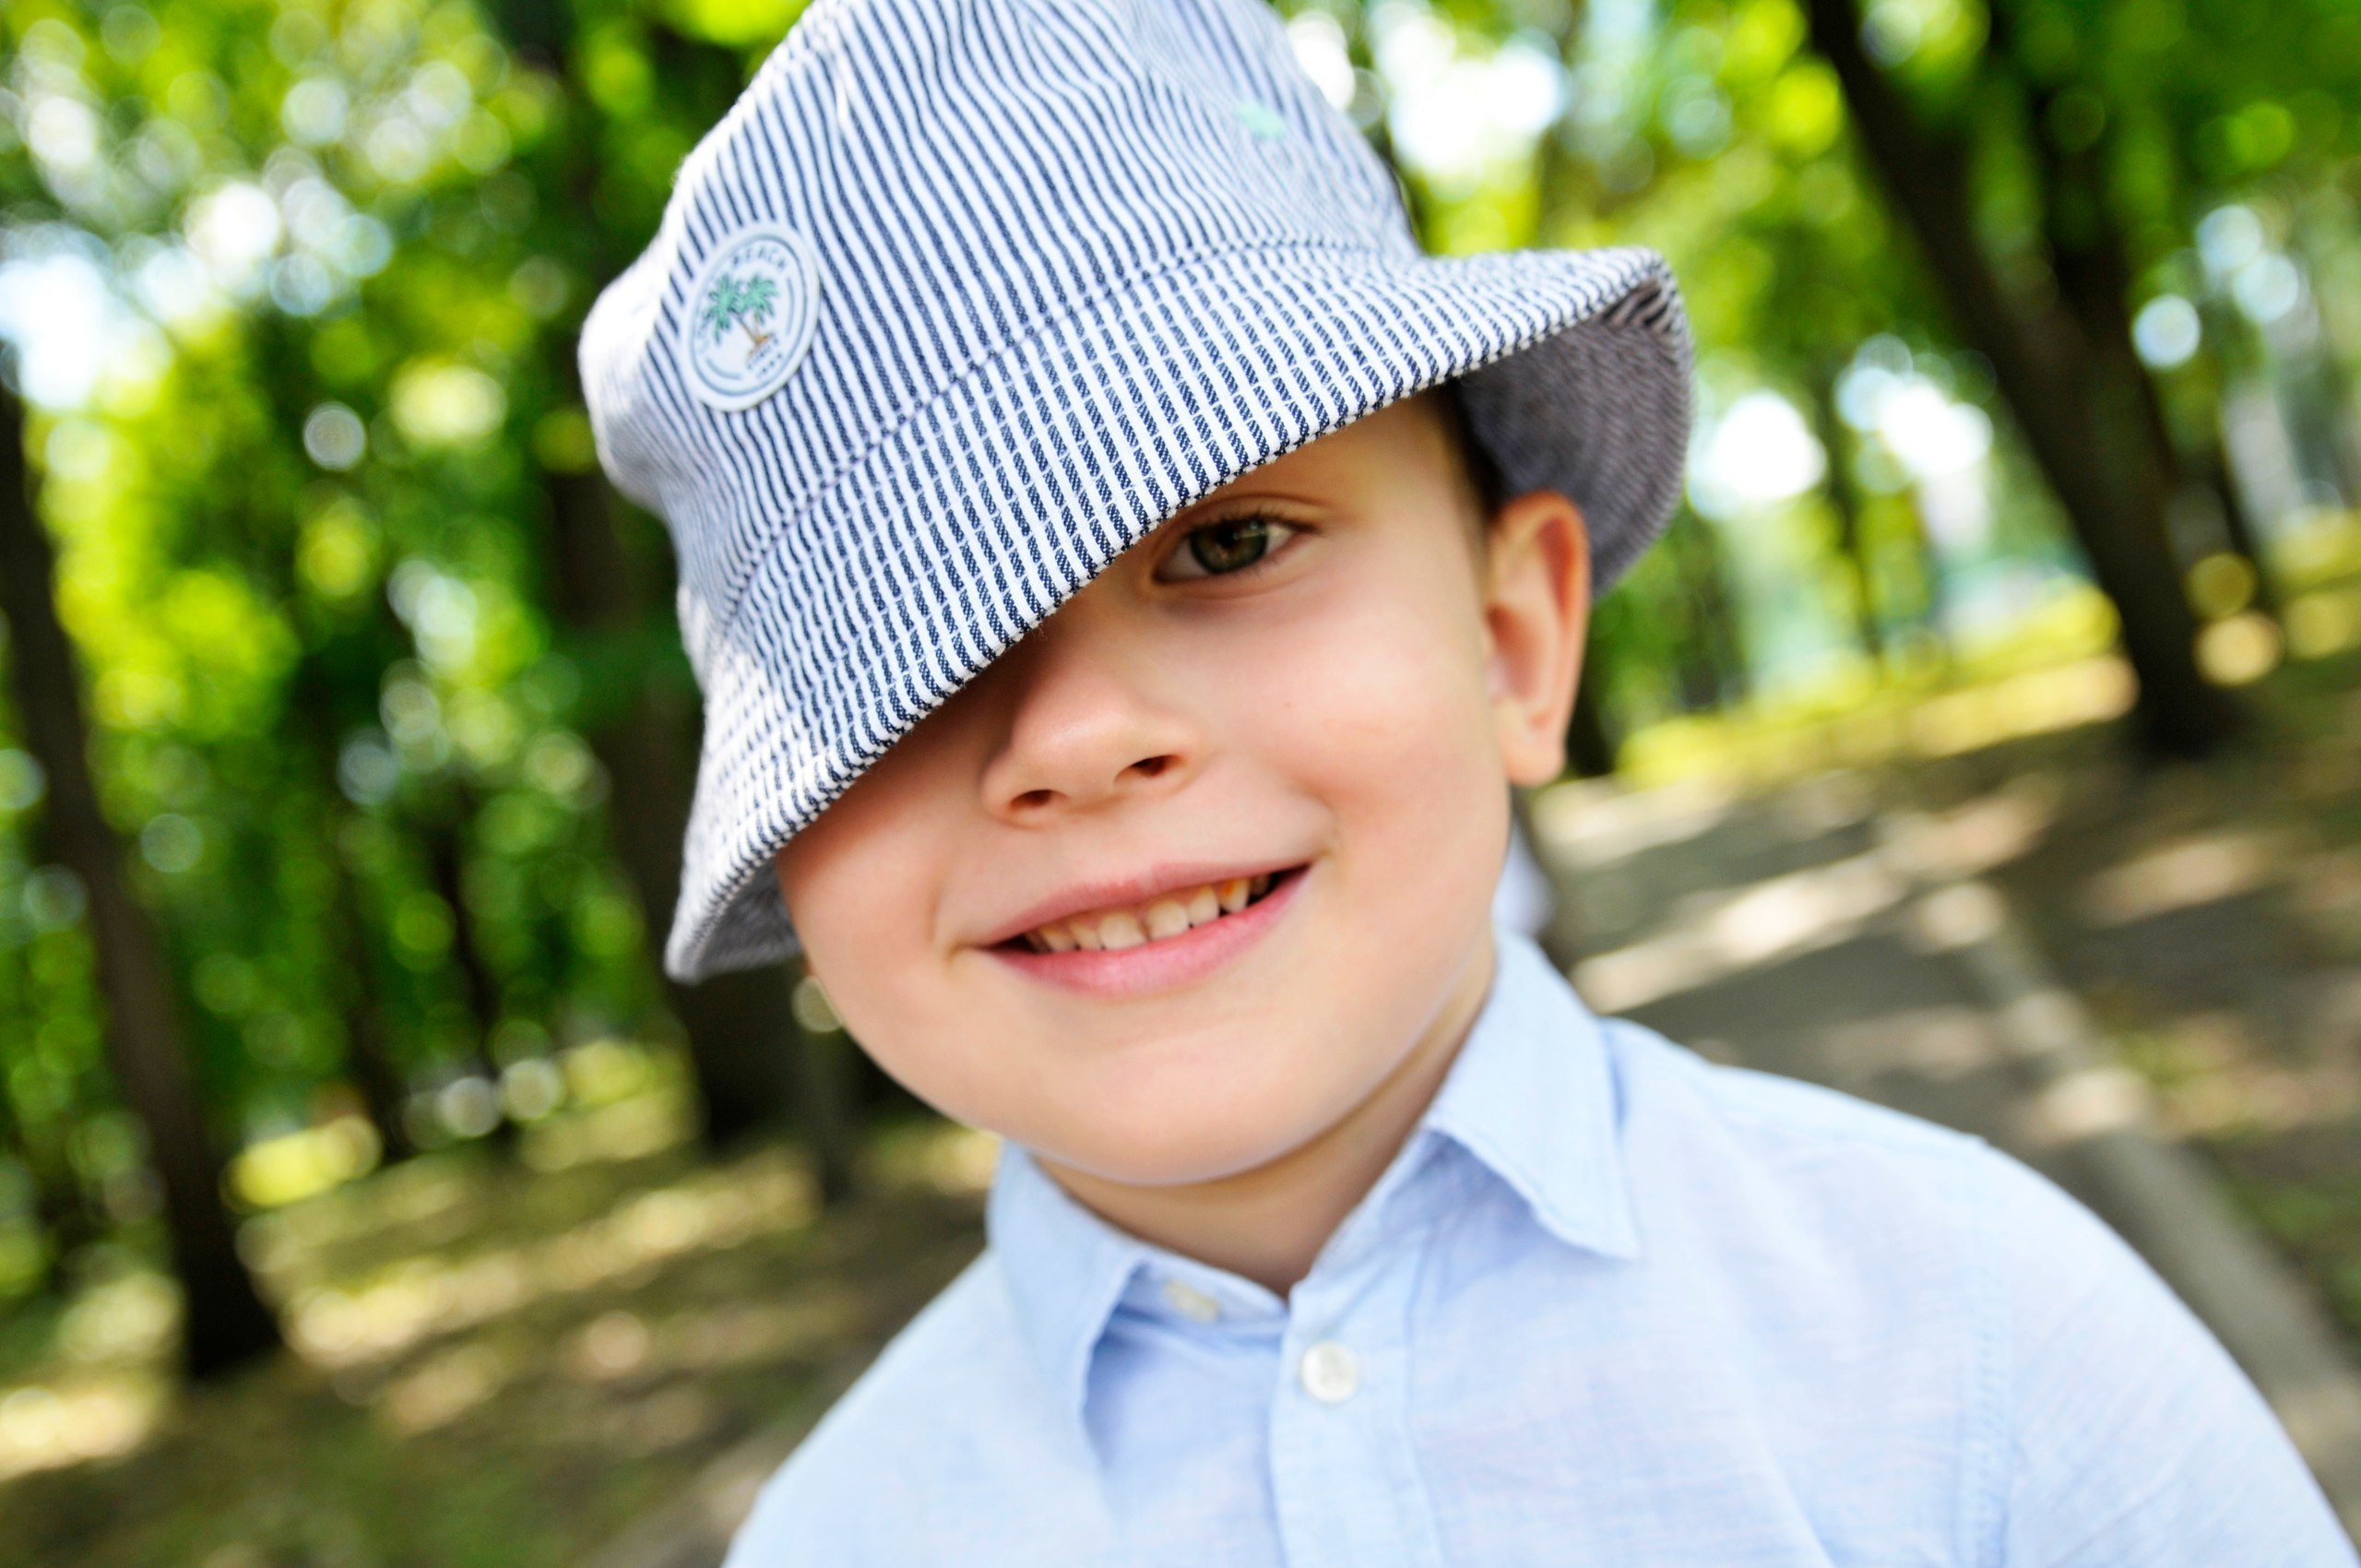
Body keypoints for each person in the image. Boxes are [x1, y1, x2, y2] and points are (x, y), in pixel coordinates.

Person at [578, 0, 2355, 1561]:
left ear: (1514, 642)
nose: (1069, 737)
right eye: (915, 652)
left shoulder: (1971, 1333)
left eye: (1228, 542)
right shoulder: (840, 1539)